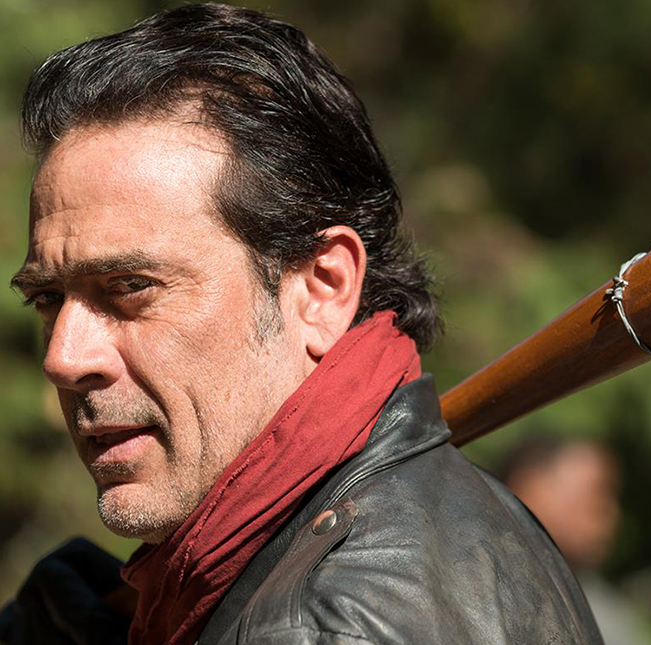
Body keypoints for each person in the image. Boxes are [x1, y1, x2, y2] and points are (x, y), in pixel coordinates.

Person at [2, 4, 602, 644]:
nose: (63, 357)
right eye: (48, 298)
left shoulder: (329, 626)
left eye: (130, 287)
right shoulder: (434, 518)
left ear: (322, 288)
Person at [502, 436, 647, 645]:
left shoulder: (606, 619)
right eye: (598, 492)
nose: (613, 512)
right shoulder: (466, 576)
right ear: (530, 486)